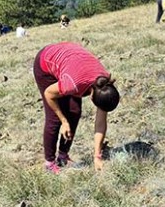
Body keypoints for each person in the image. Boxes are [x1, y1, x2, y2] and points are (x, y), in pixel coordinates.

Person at [34, 42, 120, 174]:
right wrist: (63, 121)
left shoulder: (104, 85)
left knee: (75, 111)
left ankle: (63, 156)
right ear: (91, 97)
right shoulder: (73, 84)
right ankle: (49, 163)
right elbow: (49, 94)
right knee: (55, 118)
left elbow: (101, 124)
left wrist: (97, 156)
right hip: (46, 63)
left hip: (72, 64)